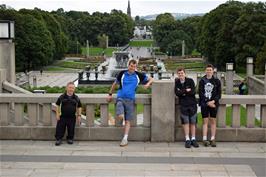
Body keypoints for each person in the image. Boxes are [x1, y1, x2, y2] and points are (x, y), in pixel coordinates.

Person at [107, 59, 154, 147]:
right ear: (128, 65)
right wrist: (110, 94)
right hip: (120, 98)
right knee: (120, 114)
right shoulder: (122, 73)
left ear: (136, 67)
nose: (132, 68)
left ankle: (125, 139)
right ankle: (121, 119)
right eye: (131, 66)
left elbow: (152, 79)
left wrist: (147, 84)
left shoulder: (138, 75)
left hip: (130, 100)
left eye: (134, 66)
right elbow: (114, 84)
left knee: (128, 121)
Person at [175, 67, 199, 148]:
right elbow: (177, 93)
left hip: (192, 104)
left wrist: (183, 92)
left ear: (185, 73)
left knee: (193, 122)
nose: (180, 74)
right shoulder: (177, 82)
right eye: (179, 73)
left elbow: (193, 92)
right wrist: (185, 91)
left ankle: (193, 139)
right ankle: (187, 139)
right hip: (183, 105)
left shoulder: (190, 81)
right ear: (177, 74)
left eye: (182, 73)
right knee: (185, 122)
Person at [199, 64, 221, 147]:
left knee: (213, 121)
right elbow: (200, 93)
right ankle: (204, 139)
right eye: (207, 70)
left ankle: (212, 139)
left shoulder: (217, 81)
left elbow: (219, 94)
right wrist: (208, 102)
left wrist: (213, 101)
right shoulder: (202, 80)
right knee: (205, 121)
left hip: (214, 104)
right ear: (205, 71)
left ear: (213, 71)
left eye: (210, 70)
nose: (209, 71)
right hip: (204, 103)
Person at [55, 82, 82, 146]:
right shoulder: (62, 97)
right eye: (70, 87)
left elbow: (79, 106)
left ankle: (70, 138)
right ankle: (58, 139)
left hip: (72, 117)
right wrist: (57, 114)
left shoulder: (76, 97)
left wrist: (79, 115)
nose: (71, 89)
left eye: (72, 88)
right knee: (60, 128)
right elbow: (57, 105)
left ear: (74, 89)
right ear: (66, 88)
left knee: (71, 128)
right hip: (62, 116)